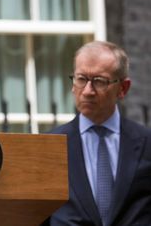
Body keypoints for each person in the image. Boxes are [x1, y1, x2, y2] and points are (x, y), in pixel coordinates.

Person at [45, 41, 151, 226]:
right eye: (81, 79)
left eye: (99, 81)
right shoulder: (49, 146)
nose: (87, 91)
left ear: (123, 88)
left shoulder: (147, 143)